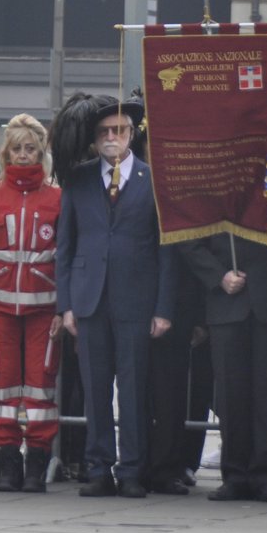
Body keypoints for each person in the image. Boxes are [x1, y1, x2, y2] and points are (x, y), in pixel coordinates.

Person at [177, 103, 267, 503]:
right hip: (229, 300)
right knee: (231, 395)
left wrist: (257, 185)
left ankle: (264, 474)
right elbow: (191, 239)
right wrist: (219, 276)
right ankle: (235, 474)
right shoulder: (216, 181)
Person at [54, 95, 175, 499]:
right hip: (89, 300)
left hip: (136, 302)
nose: (112, 137)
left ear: (131, 135)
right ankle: (98, 467)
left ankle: (132, 470)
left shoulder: (153, 181)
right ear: (94, 138)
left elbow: (166, 250)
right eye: (105, 131)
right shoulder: (78, 179)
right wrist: (66, 304)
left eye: (119, 131)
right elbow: (65, 247)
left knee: (134, 390)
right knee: (95, 390)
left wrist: (162, 308)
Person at [0, 114, 61, 492]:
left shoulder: (57, 197)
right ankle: (8, 463)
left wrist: (63, 309)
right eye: (17, 149)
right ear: (6, 154)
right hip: (0, 311)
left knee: (40, 388)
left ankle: (36, 464)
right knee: (3, 388)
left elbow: (66, 257)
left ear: (41, 153)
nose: (24, 156)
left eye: (31, 149)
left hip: (44, 310)